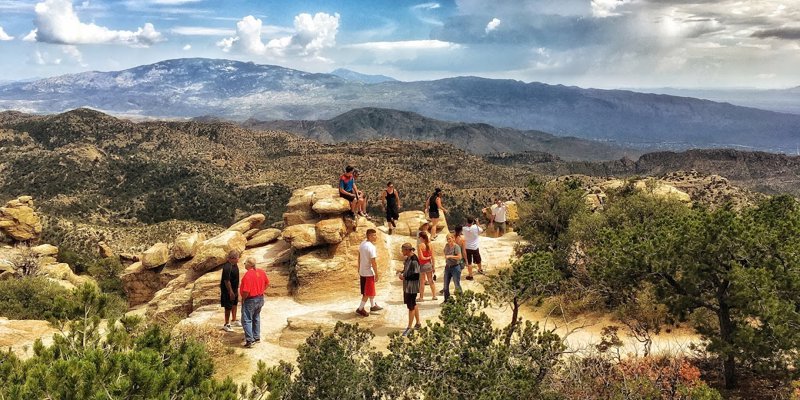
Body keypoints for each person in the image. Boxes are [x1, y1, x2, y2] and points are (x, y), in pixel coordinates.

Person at [240, 257, 269, 348]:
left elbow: (246, 291)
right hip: (260, 298)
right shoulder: (261, 272)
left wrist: (243, 298)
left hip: (250, 299)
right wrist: (261, 290)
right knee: (256, 317)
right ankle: (256, 337)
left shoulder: (248, 275)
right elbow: (267, 283)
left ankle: (250, 340)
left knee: (247, 319)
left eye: (245, 263)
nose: (244, 264)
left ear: (249, 264)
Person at [356, 228, 382, 316]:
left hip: (363, 271)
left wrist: (359, 267)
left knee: (370, 290)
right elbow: (373, 262)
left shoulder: (362, 243)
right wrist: (377, 274)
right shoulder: (371, 247)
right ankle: (360, 309)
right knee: (367, 293)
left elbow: (359, 256)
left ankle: (373, 305)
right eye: (374, 235)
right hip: (368, 273)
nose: (376, 237)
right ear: (369, 236)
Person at [398, 243, 421, 336]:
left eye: (403, 250)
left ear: (407, 250)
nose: (402, 252)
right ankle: (418, 322)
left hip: (412, 287)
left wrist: (405, 278)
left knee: (410, 306)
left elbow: (416, 275)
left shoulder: (414, 260)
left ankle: (409, 327)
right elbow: (408, 270)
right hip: (407, 286)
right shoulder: (408, 258)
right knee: (413, 303)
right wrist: (402, 272)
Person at [220, 250, 241, 332]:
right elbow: (226, 281)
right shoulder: (227, 267)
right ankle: (226, 324)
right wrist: (230, 292)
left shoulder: (235, 265)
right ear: (232, 258)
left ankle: (234, 320)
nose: (238, 259)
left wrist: (236, 290)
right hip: (228, 291)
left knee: (234, 304)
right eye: (237, 258)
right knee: (228, 307)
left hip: (235, 289)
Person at [442, 233, 463, 302]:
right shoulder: (447, 246)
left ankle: (460, 300)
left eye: (450, 238)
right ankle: (446, 300)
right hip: (448, 267)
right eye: (447, 239)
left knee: (456, 284)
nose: (448, 240)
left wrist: (450, 256)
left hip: (455, 267)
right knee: (445, 285)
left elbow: (459, 257)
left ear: (453, 238)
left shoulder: (456, 247)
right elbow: (444, 251)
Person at [417, 231, 437, 301]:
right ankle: (434, 296)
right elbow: (433, 257)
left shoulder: (420, 246)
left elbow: (421, 257)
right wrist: (433, 266)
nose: (419, 238)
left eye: (419, 237)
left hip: (422, 265)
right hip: (429, 265)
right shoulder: (430, 245)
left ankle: (421, 297)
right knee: (431, 280)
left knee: (422, 282)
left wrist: (427, 258)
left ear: (422, 237)